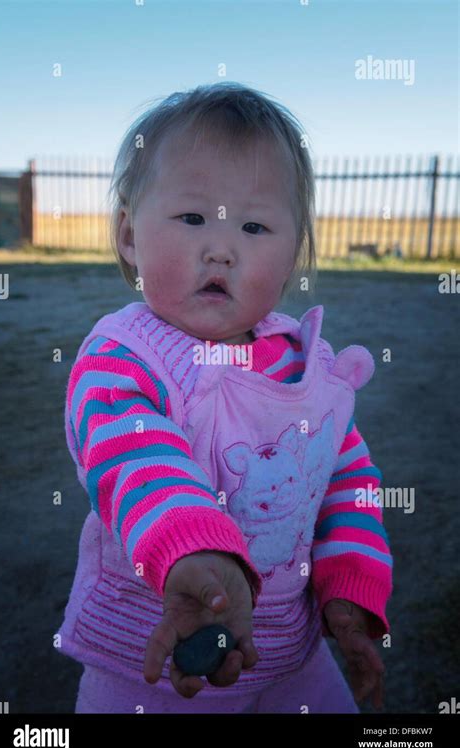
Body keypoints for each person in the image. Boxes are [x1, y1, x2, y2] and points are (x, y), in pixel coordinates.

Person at [55, 82, 393, 714]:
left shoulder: (307, 368)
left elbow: (347, 478)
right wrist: (196, 547)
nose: (221, 247)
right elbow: (132, 454)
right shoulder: (124, 357)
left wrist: (348, 587)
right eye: (191, 218)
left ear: (293, 253)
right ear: (129, 235)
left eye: (255, 225)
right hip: (155, 663)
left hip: (292, 655)